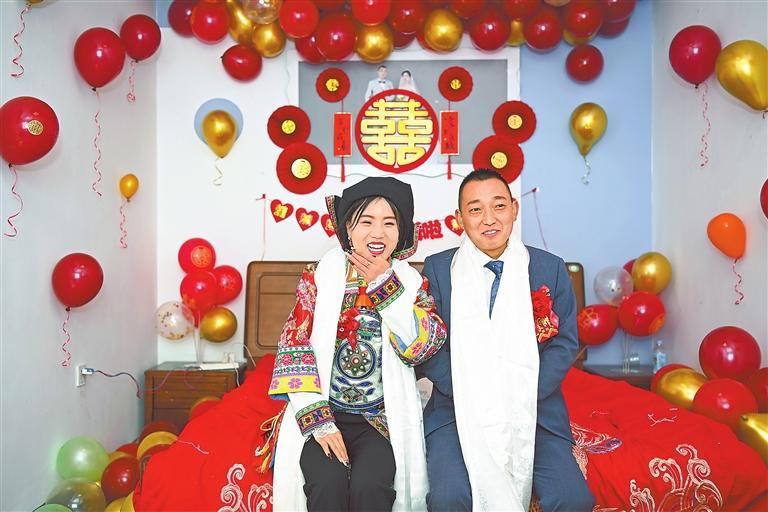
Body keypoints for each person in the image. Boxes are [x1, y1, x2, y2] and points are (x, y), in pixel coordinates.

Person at [417, 169, 595, 512]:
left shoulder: (549, 268)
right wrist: (471, 392)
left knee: (573, 499)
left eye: (498, 206)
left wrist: (521, 392)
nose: (489, 219)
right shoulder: (439, 269)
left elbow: (563, 343)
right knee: (449, 498)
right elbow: (430, 344)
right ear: (459, 218)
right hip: (456, 410)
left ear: (514, 209)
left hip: (534, 411)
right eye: (475, 209)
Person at [267, 177, 447, 512]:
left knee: (371, 487)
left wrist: (384, 285)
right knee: (326, 484)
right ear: (348, 228)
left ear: (401, 232)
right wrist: (320, 423)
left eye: (389, 223)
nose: (378, 233)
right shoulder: (318, 275)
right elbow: (294, 347)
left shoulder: (411, 283)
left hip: (380, 420)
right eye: (366, 221)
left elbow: (422, 348)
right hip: (325, 412)